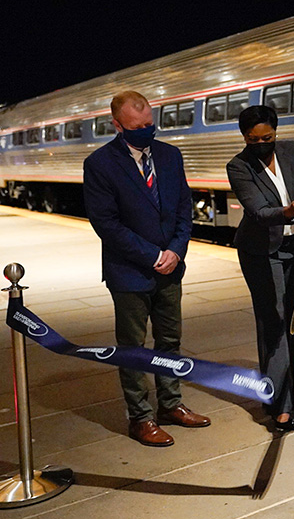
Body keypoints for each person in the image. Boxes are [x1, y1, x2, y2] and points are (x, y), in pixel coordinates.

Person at [84, 91, 210, 447]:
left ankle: (171, 404)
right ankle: (140, 417)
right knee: (134, 348)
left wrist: (176, 250)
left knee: (169, 341)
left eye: (150, 125)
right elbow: (106, 224)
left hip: (171, 269)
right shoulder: (100, 164)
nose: (146, 132)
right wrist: (153, 255)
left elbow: (184, 209)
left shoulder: (170, 156)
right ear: (117, 125)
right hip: (130, 272)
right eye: (136, 127)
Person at [226, 105, 294, 433]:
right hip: (260, 252)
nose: (261, 143)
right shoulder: (238, 166)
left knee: (292, 323)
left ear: (276, 132)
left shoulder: (291, 151)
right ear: (244, 137)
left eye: (266, 137)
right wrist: (287, 210)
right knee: (274, 323)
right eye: (253, 139)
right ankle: (280, 406)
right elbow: (258, 211)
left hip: (293, 247)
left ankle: (284, 392)